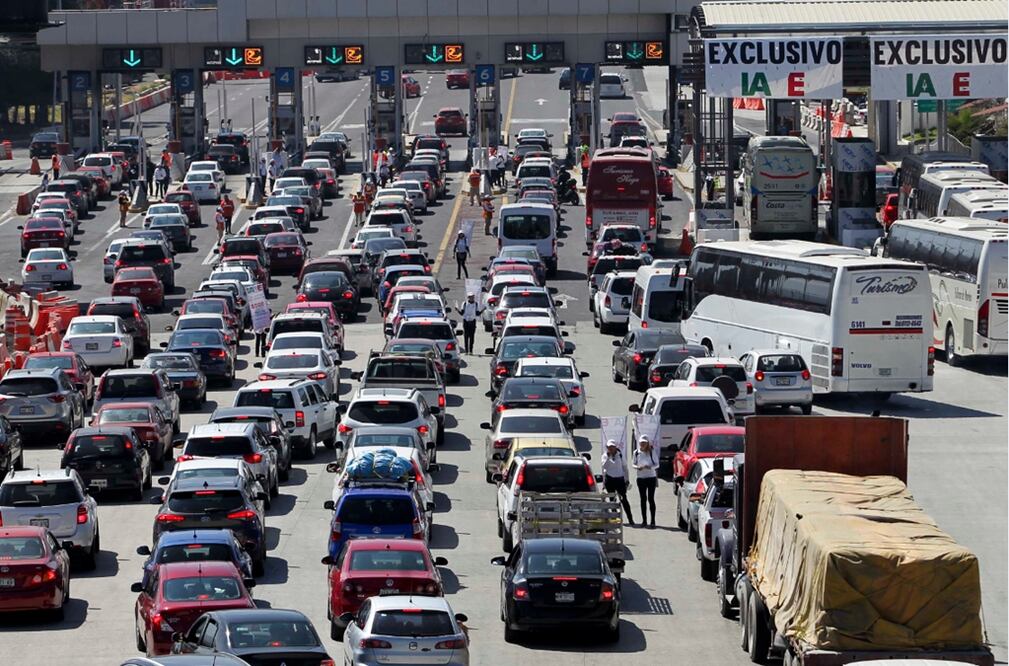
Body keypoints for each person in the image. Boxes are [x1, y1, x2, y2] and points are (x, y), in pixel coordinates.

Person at [601, 440, 634, 526]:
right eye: (609, 447)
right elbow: (605, 466)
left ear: (615, 447)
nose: (611, 449)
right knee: (612, 500)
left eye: (612, 447)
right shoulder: (605, 456)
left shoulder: (620, 455)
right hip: (610, 479)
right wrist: (608, 457)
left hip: (619, 480)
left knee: (624, 499)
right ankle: (615, 519)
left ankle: (630, 519)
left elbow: (625, 467)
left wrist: (627, 479)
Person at [633, 435, 659, 528]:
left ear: (647, 443)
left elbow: (657, 465)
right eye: (641, 443)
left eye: (644, 443)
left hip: (651, 477)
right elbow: (633, 464)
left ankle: (653, 521)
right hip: (641, 478)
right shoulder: (636, 452)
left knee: (651, 499)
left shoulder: (652, 452)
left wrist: (650, 467)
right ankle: (644, 521)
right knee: (642, 499)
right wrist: (637, 467)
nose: (642, 444)